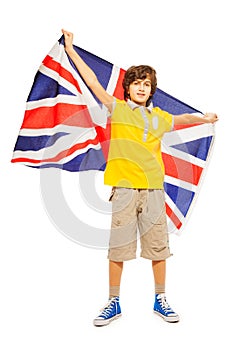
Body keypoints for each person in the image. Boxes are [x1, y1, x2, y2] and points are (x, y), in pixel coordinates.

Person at [62, 29, 218, 326]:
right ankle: (113, 301)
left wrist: (204, 118)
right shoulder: (118, 109)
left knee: (158, 247)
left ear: (151, 89)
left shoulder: (158, 117)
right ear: (128, 88)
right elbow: (93, 81)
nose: (142, 87)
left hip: (154, 191)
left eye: (147, 84)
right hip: (124, 190)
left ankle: (160, 298)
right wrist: (70, 49)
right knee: (118, 248)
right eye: (137, 83)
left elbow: (182, 120)